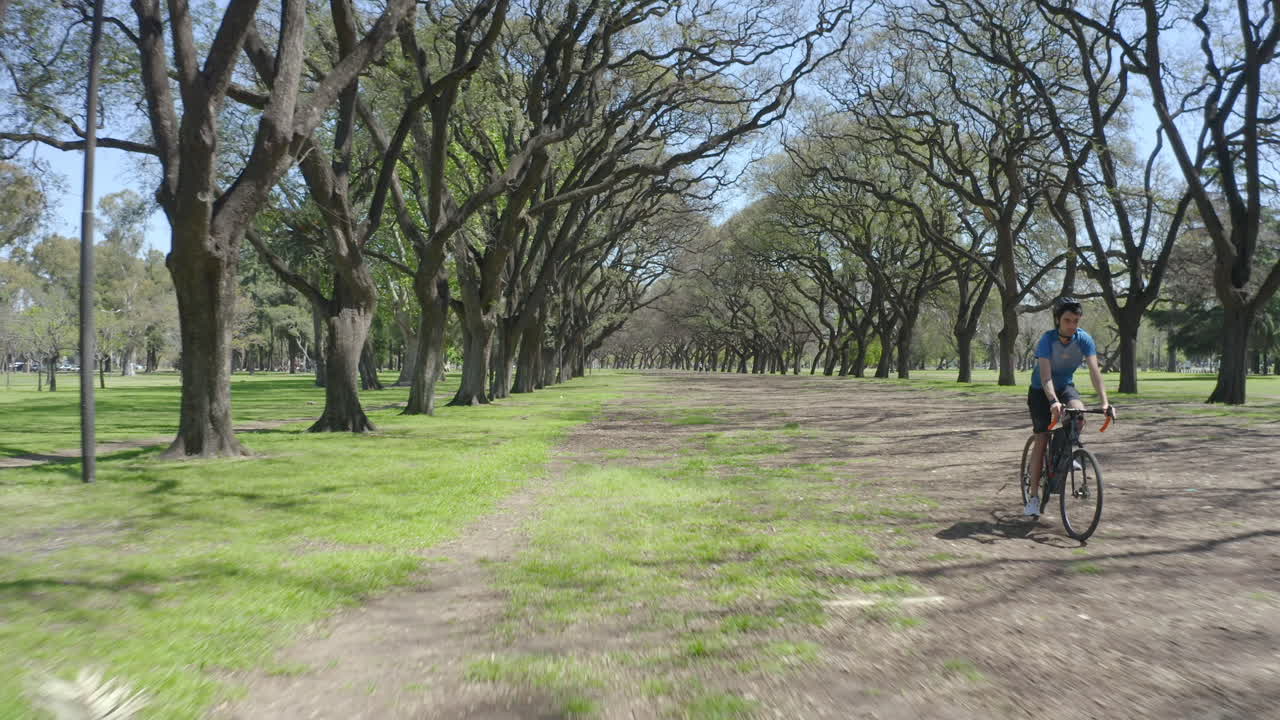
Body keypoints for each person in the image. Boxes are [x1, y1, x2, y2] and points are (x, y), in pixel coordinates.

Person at [1025, 297, 1114, 517]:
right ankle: (1033, 497)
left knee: (1078, 414)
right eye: (1067, 320)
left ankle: (1064, 454)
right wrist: (1053, 401)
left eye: (1076, 320)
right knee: (1042, 438)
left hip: (1065, 386)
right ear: (1058, 320)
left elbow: (1095, 372)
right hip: (1041, 390)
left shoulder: (1084, 339)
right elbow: (1046, 377)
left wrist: (1105, 401)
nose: (1072, 325)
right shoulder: (1047, 340)